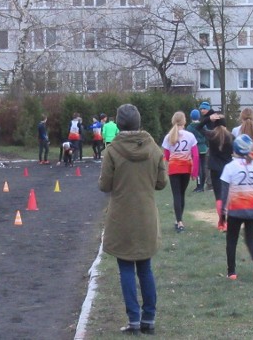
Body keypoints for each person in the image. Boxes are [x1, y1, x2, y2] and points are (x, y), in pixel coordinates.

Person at [98, 104, 167, 335]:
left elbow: (104, 185)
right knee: (145, 268)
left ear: (118, 124)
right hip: (146, 216)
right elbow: (161, 183)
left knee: (126, 267)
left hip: (122, 218)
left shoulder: (112, 151)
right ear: (139, 123)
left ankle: (134, 320)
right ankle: (149, 318)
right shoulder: (154, 149)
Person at [220, 134, 253, 281]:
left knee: (232, 240)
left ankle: (232, 272)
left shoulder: (229, 167)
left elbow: (224, 192)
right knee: (250, 239)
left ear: (235, 149)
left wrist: (222, 213)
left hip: (236, 210)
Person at [161, 111, 199, 233]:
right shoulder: (190, 136)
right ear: (184, 121)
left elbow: (166, 155)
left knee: (176, 195)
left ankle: (179, 221)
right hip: (186, 168)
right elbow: (196, 155)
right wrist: (195, 172)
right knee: (182, 194)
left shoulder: (169, 136)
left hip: (174, 168)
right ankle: (179, 220)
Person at [206, 117, 233, 232]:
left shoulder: (212, 136)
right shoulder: (231, 137)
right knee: (227, 196)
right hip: (228, 168)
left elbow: (196, 127)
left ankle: (222, 222)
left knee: (218, 197)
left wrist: (207, 119)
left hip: (215, 168)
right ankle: (229, 220)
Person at [185, 109, 208, 192]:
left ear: (191, 117)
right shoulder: (203, 126)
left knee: (198, 168)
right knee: (203, 167)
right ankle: (202, 185)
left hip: (195, 149)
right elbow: (206, 135)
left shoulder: (189, 127)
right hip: (203, 149)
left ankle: (199, 187)